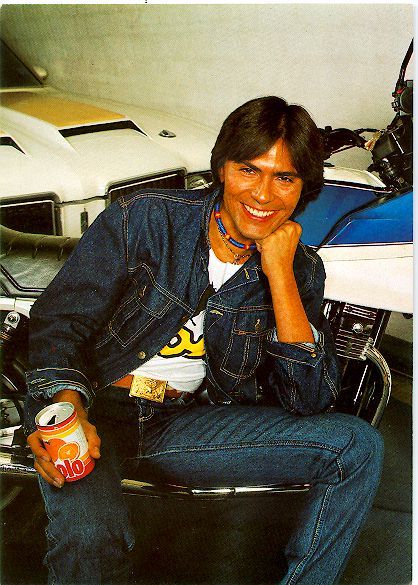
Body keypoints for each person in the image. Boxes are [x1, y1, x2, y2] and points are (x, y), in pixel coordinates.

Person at [24, 96, 383, 585]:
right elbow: (59, 323)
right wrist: (66, 408)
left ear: (305, 188)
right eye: (248, 170)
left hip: (184, 422)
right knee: (90, 535)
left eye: (285, 178)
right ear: (221, 168)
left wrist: (279, 272)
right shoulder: (146, 219)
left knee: (357, 447)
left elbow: (310, 400)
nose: (263, 194)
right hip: (95, 409)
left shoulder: (301, 268)